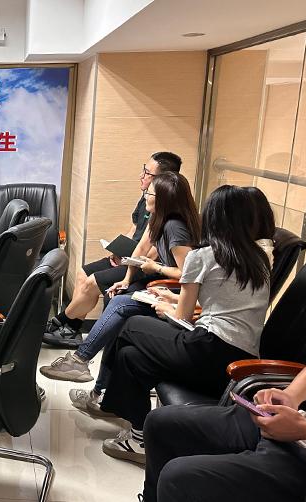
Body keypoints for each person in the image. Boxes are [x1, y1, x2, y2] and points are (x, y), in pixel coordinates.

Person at [142, 241, 306, 502]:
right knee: (162, 424)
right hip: (303, 429)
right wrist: (292, 396)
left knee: (179, 478)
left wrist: (304, 430)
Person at [97, 185, 272, 465]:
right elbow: (224, 305)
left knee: (130, 326)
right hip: (240, 362)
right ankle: (140, 435)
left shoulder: (202, 256)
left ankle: (106, 398)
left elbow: (180, 316)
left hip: (207, 349)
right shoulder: (258, 258)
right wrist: (172, 297)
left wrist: (165, 305)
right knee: (131, 357)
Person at [40, 171, 200, 392]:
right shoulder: (158, 218)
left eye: (150, 192)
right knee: (114, 297)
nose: (145, 195)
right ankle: (99, 388)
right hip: (159, 284)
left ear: (162, 198)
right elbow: (141, 249)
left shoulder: (175, 227)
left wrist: (156, 267)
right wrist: (126, 279)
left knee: (120, 305)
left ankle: (80, 362)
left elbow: (188, 274)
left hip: (175, 294)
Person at [44, 152, 183, 348]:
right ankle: (72, 329)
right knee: (83, 273)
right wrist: (118, 249)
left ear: (163, 181)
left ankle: (59, 322)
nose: (141, 176)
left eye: (147, 173)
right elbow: (136, 232)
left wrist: (128, 264)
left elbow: (154, 254)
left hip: (145, 268)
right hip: (130, 259)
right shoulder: (147, 201)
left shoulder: (170, 216)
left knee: (92, 282)